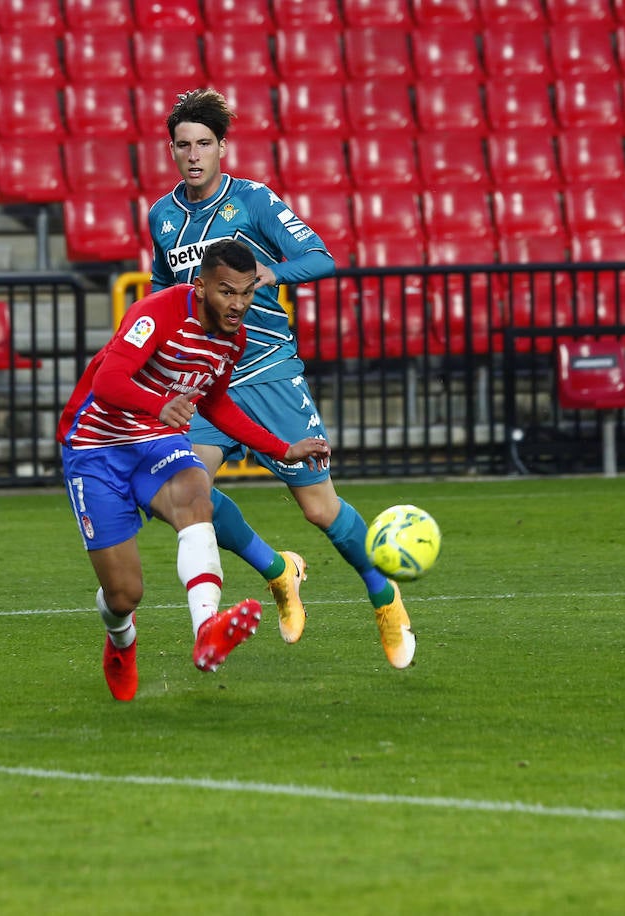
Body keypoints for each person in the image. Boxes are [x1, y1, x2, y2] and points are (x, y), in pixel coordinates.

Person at [145, 88, 416, 669]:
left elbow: (321, 257)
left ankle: (382, 594)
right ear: (171, 151)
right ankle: (278, 569)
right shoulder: (162, 216)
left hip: (267, 373)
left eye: (204, 144)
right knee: (183, 497)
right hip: (206, 379)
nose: (194, 155)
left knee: (320, 509)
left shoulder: (254, 202)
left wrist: (271, 271)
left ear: (222, 148)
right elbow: (163, 288)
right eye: (183, 145)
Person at [59, 240, 331, 702]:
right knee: (124, 595)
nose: (238, 305)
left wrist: (281, 448)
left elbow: (216, 403)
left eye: (246, 293)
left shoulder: (233, 337)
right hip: (95, 446)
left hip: (156, 439)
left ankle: (207, 630)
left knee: (195, 494)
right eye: (227, 292)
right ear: (201, 286)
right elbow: (107, 381)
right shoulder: (158, 311)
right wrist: (159, 404)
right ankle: (121, 641)